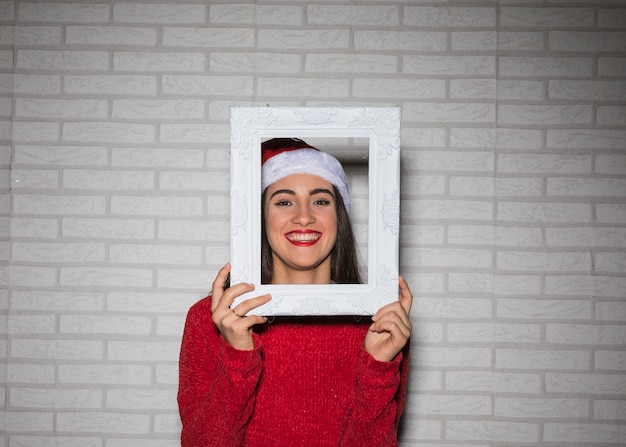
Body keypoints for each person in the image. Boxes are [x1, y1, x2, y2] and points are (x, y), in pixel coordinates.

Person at [177, 138, 412, 447]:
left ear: (338, 216)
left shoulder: (382, 321)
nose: (304, 217)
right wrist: (236, 357)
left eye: (320, 201)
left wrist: (377, 369)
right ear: (261, 217)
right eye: (284, 201)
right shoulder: (211, 318)